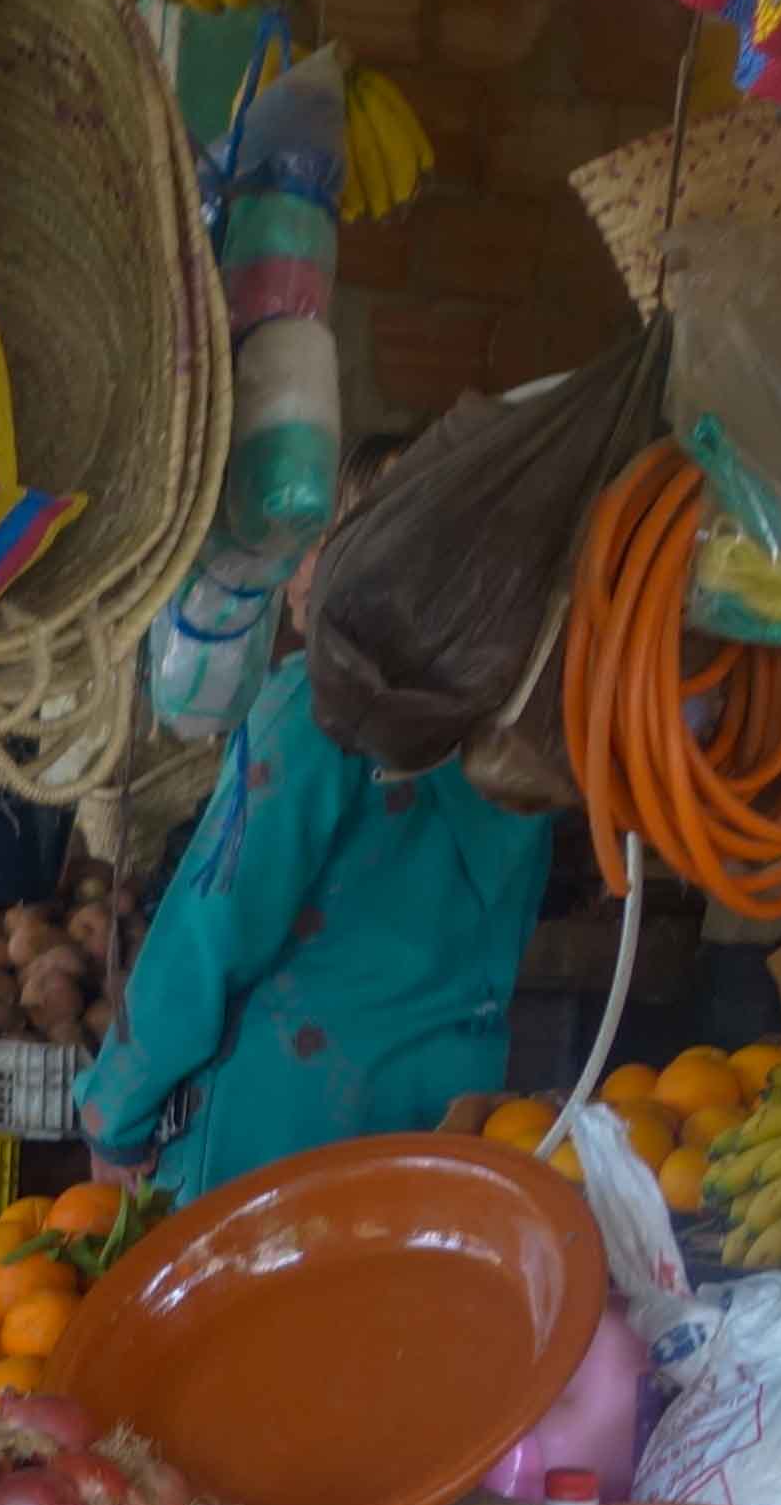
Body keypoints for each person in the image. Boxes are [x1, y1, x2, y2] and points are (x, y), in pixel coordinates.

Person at [75, 448, 564, 1201]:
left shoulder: (316, 705)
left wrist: (116, 1106)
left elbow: (213, 927)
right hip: (446, 1127)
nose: (294, 570)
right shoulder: (521, 723)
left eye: (317, 538)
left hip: (286, 1134)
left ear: (374, 560)